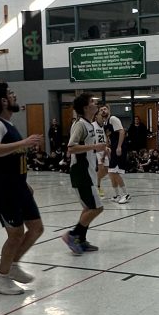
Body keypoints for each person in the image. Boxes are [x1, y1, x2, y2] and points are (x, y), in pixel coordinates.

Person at [0, 81, 44, 295]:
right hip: (3, 190)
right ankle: (1, 278)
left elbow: (11, 159)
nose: (14, 95)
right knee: (16, 234)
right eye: (10, 93)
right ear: (3, 101)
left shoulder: (10, 124)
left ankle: (13, 265)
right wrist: (23, 143)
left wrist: (23, 182)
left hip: (18, 187)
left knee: (36, 228)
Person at [64, 93, 108, 254]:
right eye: (92, 102)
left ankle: (80, 240)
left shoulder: (90, 124)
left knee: (88, 208)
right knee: (97, 208)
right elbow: (71, 148)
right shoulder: (80, 125)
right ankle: (72, 235)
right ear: (85, 107)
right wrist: (95, 147)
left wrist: (99, 148)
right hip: (81, 172)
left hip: (88, 172)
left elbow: (87, 147)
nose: (95, 103)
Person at [98, 104, 130, 203]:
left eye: (105, 109)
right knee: (111, 172)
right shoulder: (105, 124)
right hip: (113, 148)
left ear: (109, 110)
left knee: (115, 172)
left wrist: (119, 146)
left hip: (119, 147)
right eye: (101, 110)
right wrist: (105, 153)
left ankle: (126, 194)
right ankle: (117, 195)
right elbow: (108, 140)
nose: (103, 111)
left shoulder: (113, 119)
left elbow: (122, 132)